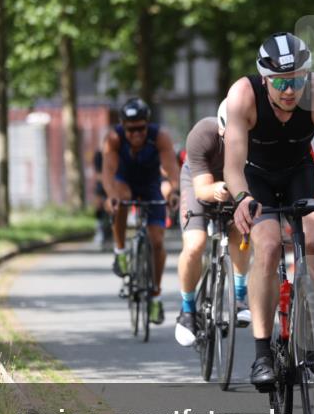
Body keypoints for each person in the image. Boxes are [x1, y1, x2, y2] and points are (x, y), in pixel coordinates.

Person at [223, 32, 314, 388]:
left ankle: (311, 319)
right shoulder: (243, 94)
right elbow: (232, 165)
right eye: (280, 82)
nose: (290, 90)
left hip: (298, 172)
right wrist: (242, 198)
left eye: (297, 80)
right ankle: (262, 353)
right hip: (255, 176)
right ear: (264, 78)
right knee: (268, 245)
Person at [175, 101, 252, 346]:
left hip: (236, 188)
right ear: (221, 129)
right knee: (195, 245)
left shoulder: (257, 140)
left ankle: (239, 296)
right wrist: (216, 189)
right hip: (200, 182)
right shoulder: (202, 135)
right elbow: (201, 190)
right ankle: (188, 310)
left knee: (241, 228)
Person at [101, 97, 180, 325]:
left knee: (157, 242)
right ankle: (120, 251)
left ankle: (155, 295)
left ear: (147, 124)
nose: (136, 134)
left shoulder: (160, 137)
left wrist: (174, 191)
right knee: (122, 200)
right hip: (123, 182)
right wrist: (111, 196)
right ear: (123, 126)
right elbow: (108, 172)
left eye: (141, 128)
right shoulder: (114, 138)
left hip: (150, 185)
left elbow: (171, 168)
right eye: (131, 129)